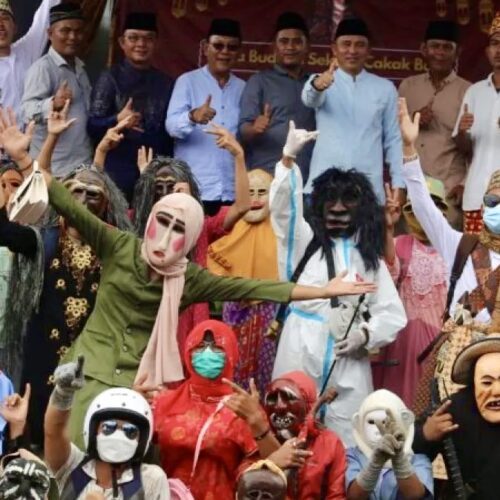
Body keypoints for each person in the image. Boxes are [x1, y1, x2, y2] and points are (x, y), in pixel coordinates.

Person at [39, 152, 376, 448]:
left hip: (139, 382)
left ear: (190, 239)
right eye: (163, 221)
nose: (166, 236)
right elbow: (64, 201)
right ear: (151, 218)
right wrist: (28, 158)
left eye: (179, 229)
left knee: (125, 458)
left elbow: (255, 288)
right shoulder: (120, 246)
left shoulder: (189, 279)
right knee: (70, 452)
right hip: (88, 370)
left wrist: (324, 291)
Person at [0, 107, 131, 450]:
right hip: (43, 355)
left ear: (106, 204)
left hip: (95, 358)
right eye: (75, 192)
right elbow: (6, 231)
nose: (83, 200)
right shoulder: (41, 240)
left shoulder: (116, 246)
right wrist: (20, 160)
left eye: (93, 194)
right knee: (37, 442)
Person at [270, 121, 406, 446]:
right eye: (331, 201)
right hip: (299, 348)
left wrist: (365, 335)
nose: (339, 209)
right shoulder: (305, 244)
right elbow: (285, 213)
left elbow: (391, 313)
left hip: (349, 359)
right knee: (291, 429)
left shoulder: (367, 259)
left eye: (348, 202)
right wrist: (288, 160)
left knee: (349, 436)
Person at [133, 125, 250, 356]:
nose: (165, 194)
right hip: (150, 310)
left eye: (172, 188)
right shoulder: (139, 223)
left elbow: (243, 206)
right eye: (158, 188)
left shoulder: (201, 226)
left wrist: (238, 156)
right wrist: (144, 181)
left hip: (189, 313)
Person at [154, 320, 284, 499]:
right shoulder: (165, 402)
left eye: (217, 347)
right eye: (200, 346)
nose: (207, 353)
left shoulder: (243, 407)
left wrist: (257, 423)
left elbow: (275, 467)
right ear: (188, 352)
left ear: (231, 353)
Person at [400, 96, 500, 327]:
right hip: (459, 344)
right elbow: (424, 207)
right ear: (483, 206)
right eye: (492, 201)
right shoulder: (460, 246)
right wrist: (408, 148)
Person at [301, 17, 403, 202]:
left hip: (368, 189)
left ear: (369, 50)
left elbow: (394, 140)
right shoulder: (321, 80)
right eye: (346, 44)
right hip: (324, 185)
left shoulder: (385, 88)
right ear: (334, 49)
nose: (352, 51)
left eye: (359, 45)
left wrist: (399, 183)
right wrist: (318, 85)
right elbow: (309, 99)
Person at [44, 356, 170, 499]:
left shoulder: (150, 479)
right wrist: (63, 393)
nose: (118, 436)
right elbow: (54, 432)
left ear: (142, 439)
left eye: (130, 431)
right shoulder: (73, 466)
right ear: (93, 430)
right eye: (109, 427)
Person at [374, 179, 448, 408]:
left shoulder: (452, 246)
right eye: (417, 207)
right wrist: (388, 229)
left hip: (439, 342)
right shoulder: (400, 244)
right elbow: (388, 273)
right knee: (396, 404)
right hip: (402, 342)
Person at [88, 12, 174, 202]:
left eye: (148, 39)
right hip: (116, 171)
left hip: (154, 172)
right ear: (122, 42)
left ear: (156, 43)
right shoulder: (109, 78)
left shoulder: (166, 82)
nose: (141, 44)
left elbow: (169, 135)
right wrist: (117, 119)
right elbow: (92, 126)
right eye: (133, 38)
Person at [208, 168, 279, 393]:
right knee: (233, 360)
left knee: (267, 366)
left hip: (271, 307)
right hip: (236, 306)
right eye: (249, 193)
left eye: (262, 192)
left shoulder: (281, 230)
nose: (255, 199)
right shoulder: (230, 228)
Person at [166, 18, 245, 209]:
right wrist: (192, 116)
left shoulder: (244, 88)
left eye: (232, 47)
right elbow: (172, 127)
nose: (224, 52)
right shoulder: (187, 82)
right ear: (205, 47)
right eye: (218, 45)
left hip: (232, 189)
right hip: (194, 188)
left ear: (238, 52)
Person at [399, 20, 470, 229]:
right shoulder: (408, 87)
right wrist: (414, 119)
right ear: (424, 49)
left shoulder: (468, 91)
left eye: (447, 47)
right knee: (408, 246)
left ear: (458, 53)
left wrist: (465, 184)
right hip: (411, 189)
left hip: (448, 189)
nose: (440, 53)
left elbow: (476, 147)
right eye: (435, 46)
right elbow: (393, 137)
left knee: (444, 247)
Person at [413, 335, 500, 498]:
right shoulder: (454, 409)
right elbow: (408, 447)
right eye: (487, 382)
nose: (496, 391)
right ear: (474, 383)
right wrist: (425, 434)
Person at [238, 12, 315, 179]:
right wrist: (254, 128)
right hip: (268, 175)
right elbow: (243, 130)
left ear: (306, 47)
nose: (290, 47)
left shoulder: (315, 84)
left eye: (297, 42)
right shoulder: (259, 81)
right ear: (274, 46)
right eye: (284, 41)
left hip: (308, 176)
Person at [22, 2, 92, 177]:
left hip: (82, 165)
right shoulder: (43, 68)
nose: (73, 37)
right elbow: (26, 112)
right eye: (65, 30)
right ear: (50, 33)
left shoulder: (80, 67)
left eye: (78, 31)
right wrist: (52, 103)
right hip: (53, 169)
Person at [261, 371, 347, 498]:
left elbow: (336, 495)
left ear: (307, 404)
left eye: (288, 398)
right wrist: (270, 464)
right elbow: (244, 484)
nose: (279, 406)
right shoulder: (260, 439)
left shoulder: (330, 443)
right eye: (272, 399)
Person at [453, 12, 500, 234]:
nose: (499, 50)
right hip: (477, 195)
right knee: (474, 255)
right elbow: (464, 148)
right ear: (487, 51)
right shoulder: (475, 91)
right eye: (495, 43)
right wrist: (462, 132)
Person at [346, 389, 433, 499]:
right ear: (359, 423)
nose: (378, 430)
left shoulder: (418, 461)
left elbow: (416, 496)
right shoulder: (352, 456)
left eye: (386, 422)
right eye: (371, 422)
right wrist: (374, 464)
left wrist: (399, 459)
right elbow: (353, 496)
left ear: (403, 422)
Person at [0, 0, 59, 120]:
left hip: (34, 130)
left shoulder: (25, 50)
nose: (1, 25)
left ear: (15, 28)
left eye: (5, 18)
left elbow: (45, 15)